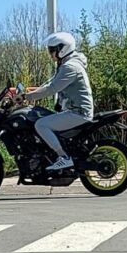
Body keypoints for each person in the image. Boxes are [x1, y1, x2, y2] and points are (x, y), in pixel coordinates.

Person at [18, 31, 94, 173]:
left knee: (41, 124)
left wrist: (26, 97)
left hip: (78, 112)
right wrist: (29, 92)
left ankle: (64, 157)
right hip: (74, 110)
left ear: (62, 49)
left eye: (52, 50)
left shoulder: (70, 67)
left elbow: (52, 89)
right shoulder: (67, 64)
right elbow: (50, 84)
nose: (50, 54)